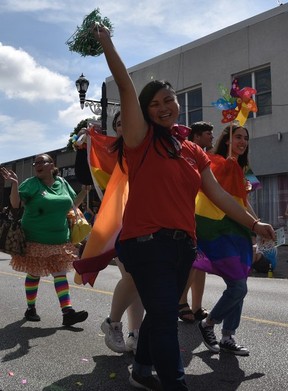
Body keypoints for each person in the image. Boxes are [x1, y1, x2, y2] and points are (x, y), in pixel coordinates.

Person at [92, 24, 274, 391]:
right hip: (146, 244)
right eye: (154, 104)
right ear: (144, 111)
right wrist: (107, 43)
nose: (163, 108)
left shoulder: (192, 151)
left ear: (178, 103)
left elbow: (221, 197)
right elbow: (126, 86)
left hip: (182, 247)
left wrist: (255, 224)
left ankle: (142, 371)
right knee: (162, 317)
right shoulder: (139, 140)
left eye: (168, 101)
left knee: (160, 315)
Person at [195, 124, 261, 356]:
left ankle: (228, 337)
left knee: (239, 284)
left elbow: (243, 202)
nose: (243, 141)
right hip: (216, 231)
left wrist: (256, 230)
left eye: (246, 138)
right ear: (226, 140)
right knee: (238, 286)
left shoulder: (244, 169)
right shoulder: (211, 162)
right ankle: (208, 323)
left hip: (238, 232)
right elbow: (214, 197)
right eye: (238, 137)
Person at [0, 154, 90, 326]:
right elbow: (16, 204)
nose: (38, 165)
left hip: (60, 238)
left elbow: (73, 205)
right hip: (35, 238)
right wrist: (14, 184)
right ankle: (31, 308)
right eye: (36, 163)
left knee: (60, 274)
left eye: (42, 162)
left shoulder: (62, 183)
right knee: (35, 273)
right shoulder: (31, 183)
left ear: (52, 165)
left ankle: (67, 312)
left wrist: (84, 192)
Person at [100, 112, 145, 354]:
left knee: (138, 283)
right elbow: (91, 178)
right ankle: (112, 323)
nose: (123, 127)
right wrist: (85, 145)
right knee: (133, 278)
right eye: (118, 124)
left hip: (148, 222)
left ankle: (135, 333)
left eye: (126, 122)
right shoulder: (110, 154)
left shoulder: (147, 150)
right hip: (121, 225)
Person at [179, 121, 214, 323]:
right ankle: (181, 302)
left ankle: (196, 306)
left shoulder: (209, 158)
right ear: (196, 136)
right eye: (207, 133)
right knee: (191, 261)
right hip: (188, 216)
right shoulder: (186, 155)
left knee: (201, 263)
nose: (211, 136)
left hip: (205, 217)